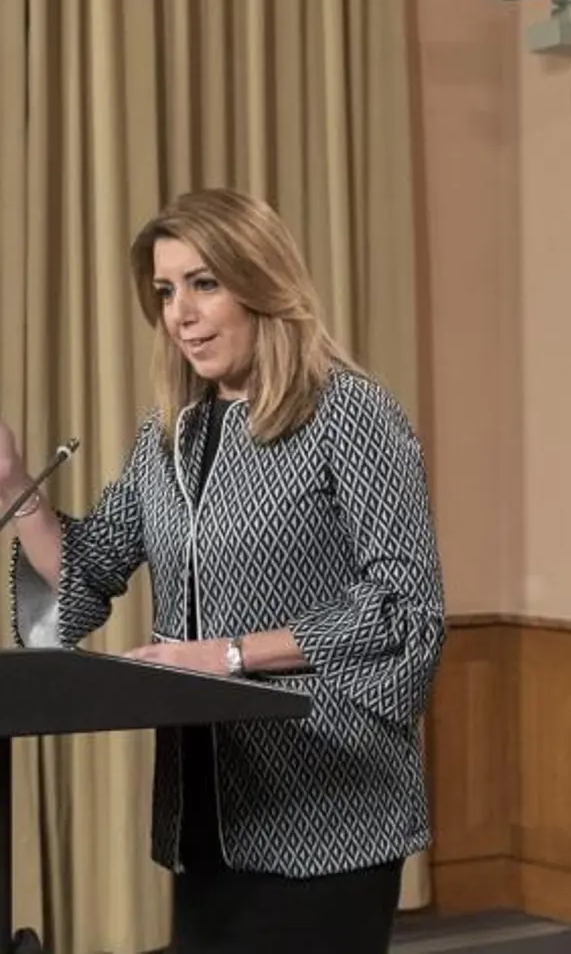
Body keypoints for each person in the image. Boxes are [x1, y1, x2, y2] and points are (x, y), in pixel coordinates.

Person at [0, 188, 446, 952]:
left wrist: (228, 656)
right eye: (167, 290)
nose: (181, 313)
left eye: (204, 283)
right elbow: (83, 576)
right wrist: (14, 490)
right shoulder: (172, 435)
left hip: (326, 803)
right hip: (209, 810)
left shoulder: (350, 413)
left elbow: (405, 610)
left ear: (262, 282)